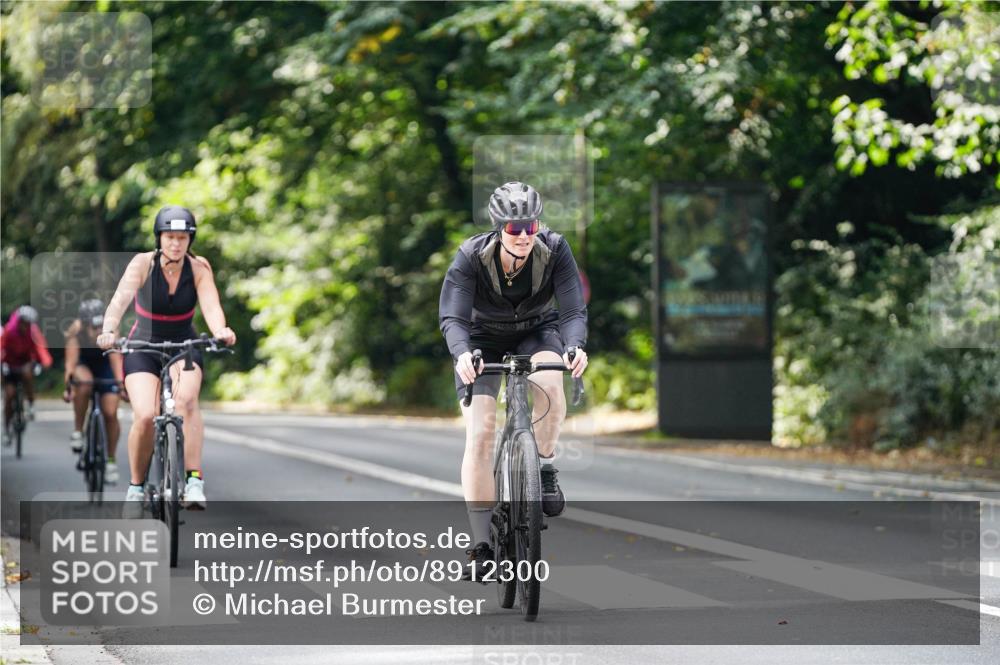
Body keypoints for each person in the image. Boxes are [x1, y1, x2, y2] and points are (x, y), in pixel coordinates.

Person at [438, 181, 588, 580]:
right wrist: (461, 354)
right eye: (513, 229)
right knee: (481, 432)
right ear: (498, 228)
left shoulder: (555, 249)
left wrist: (574, 347)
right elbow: (452, 317)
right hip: (481, 339)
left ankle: (546, 466)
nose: (523, 236)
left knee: (552, 386)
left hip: (536, 330)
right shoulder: (471, 256)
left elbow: (573, 310)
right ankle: (482, 546)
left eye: (530, 227)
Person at [96, 205, 236, 511]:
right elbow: (119, 301)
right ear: (159, 237)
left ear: (190, 240)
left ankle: (194, 481)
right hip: (143, 345)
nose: (176, 243)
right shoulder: (142, 264)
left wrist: (221, 329)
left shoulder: (198, 268)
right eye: (170, 237)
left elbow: (211, 306)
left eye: (182, 238)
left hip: (183, 344)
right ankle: (136, 488)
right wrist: (109, 330)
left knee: (186, 402)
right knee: (145, 414)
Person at [63, 299, 125, 484]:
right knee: (85, 382)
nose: (98, 331)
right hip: (84, 365)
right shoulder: (75, 333)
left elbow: (116, 361)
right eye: (93, 327)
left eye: (100, 325)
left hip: (105, 366)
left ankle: (111, 462)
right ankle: (78, 432)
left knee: (111, 412)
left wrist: (121, 386)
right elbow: (70, 365)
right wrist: (68, 387)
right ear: (83, 325)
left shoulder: (110, 331)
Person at [1, 305, 53, 442]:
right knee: (9, 396)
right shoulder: (9, 330)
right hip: (10, 365)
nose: (25, 326)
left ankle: (30, 404)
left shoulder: (33, 332)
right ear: (19, 321)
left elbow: (40, 347)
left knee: (27, 373)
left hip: (25, 363)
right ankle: (6, 430)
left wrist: (46, 361)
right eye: (23, 323)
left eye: (28, 324)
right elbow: (1, 347)